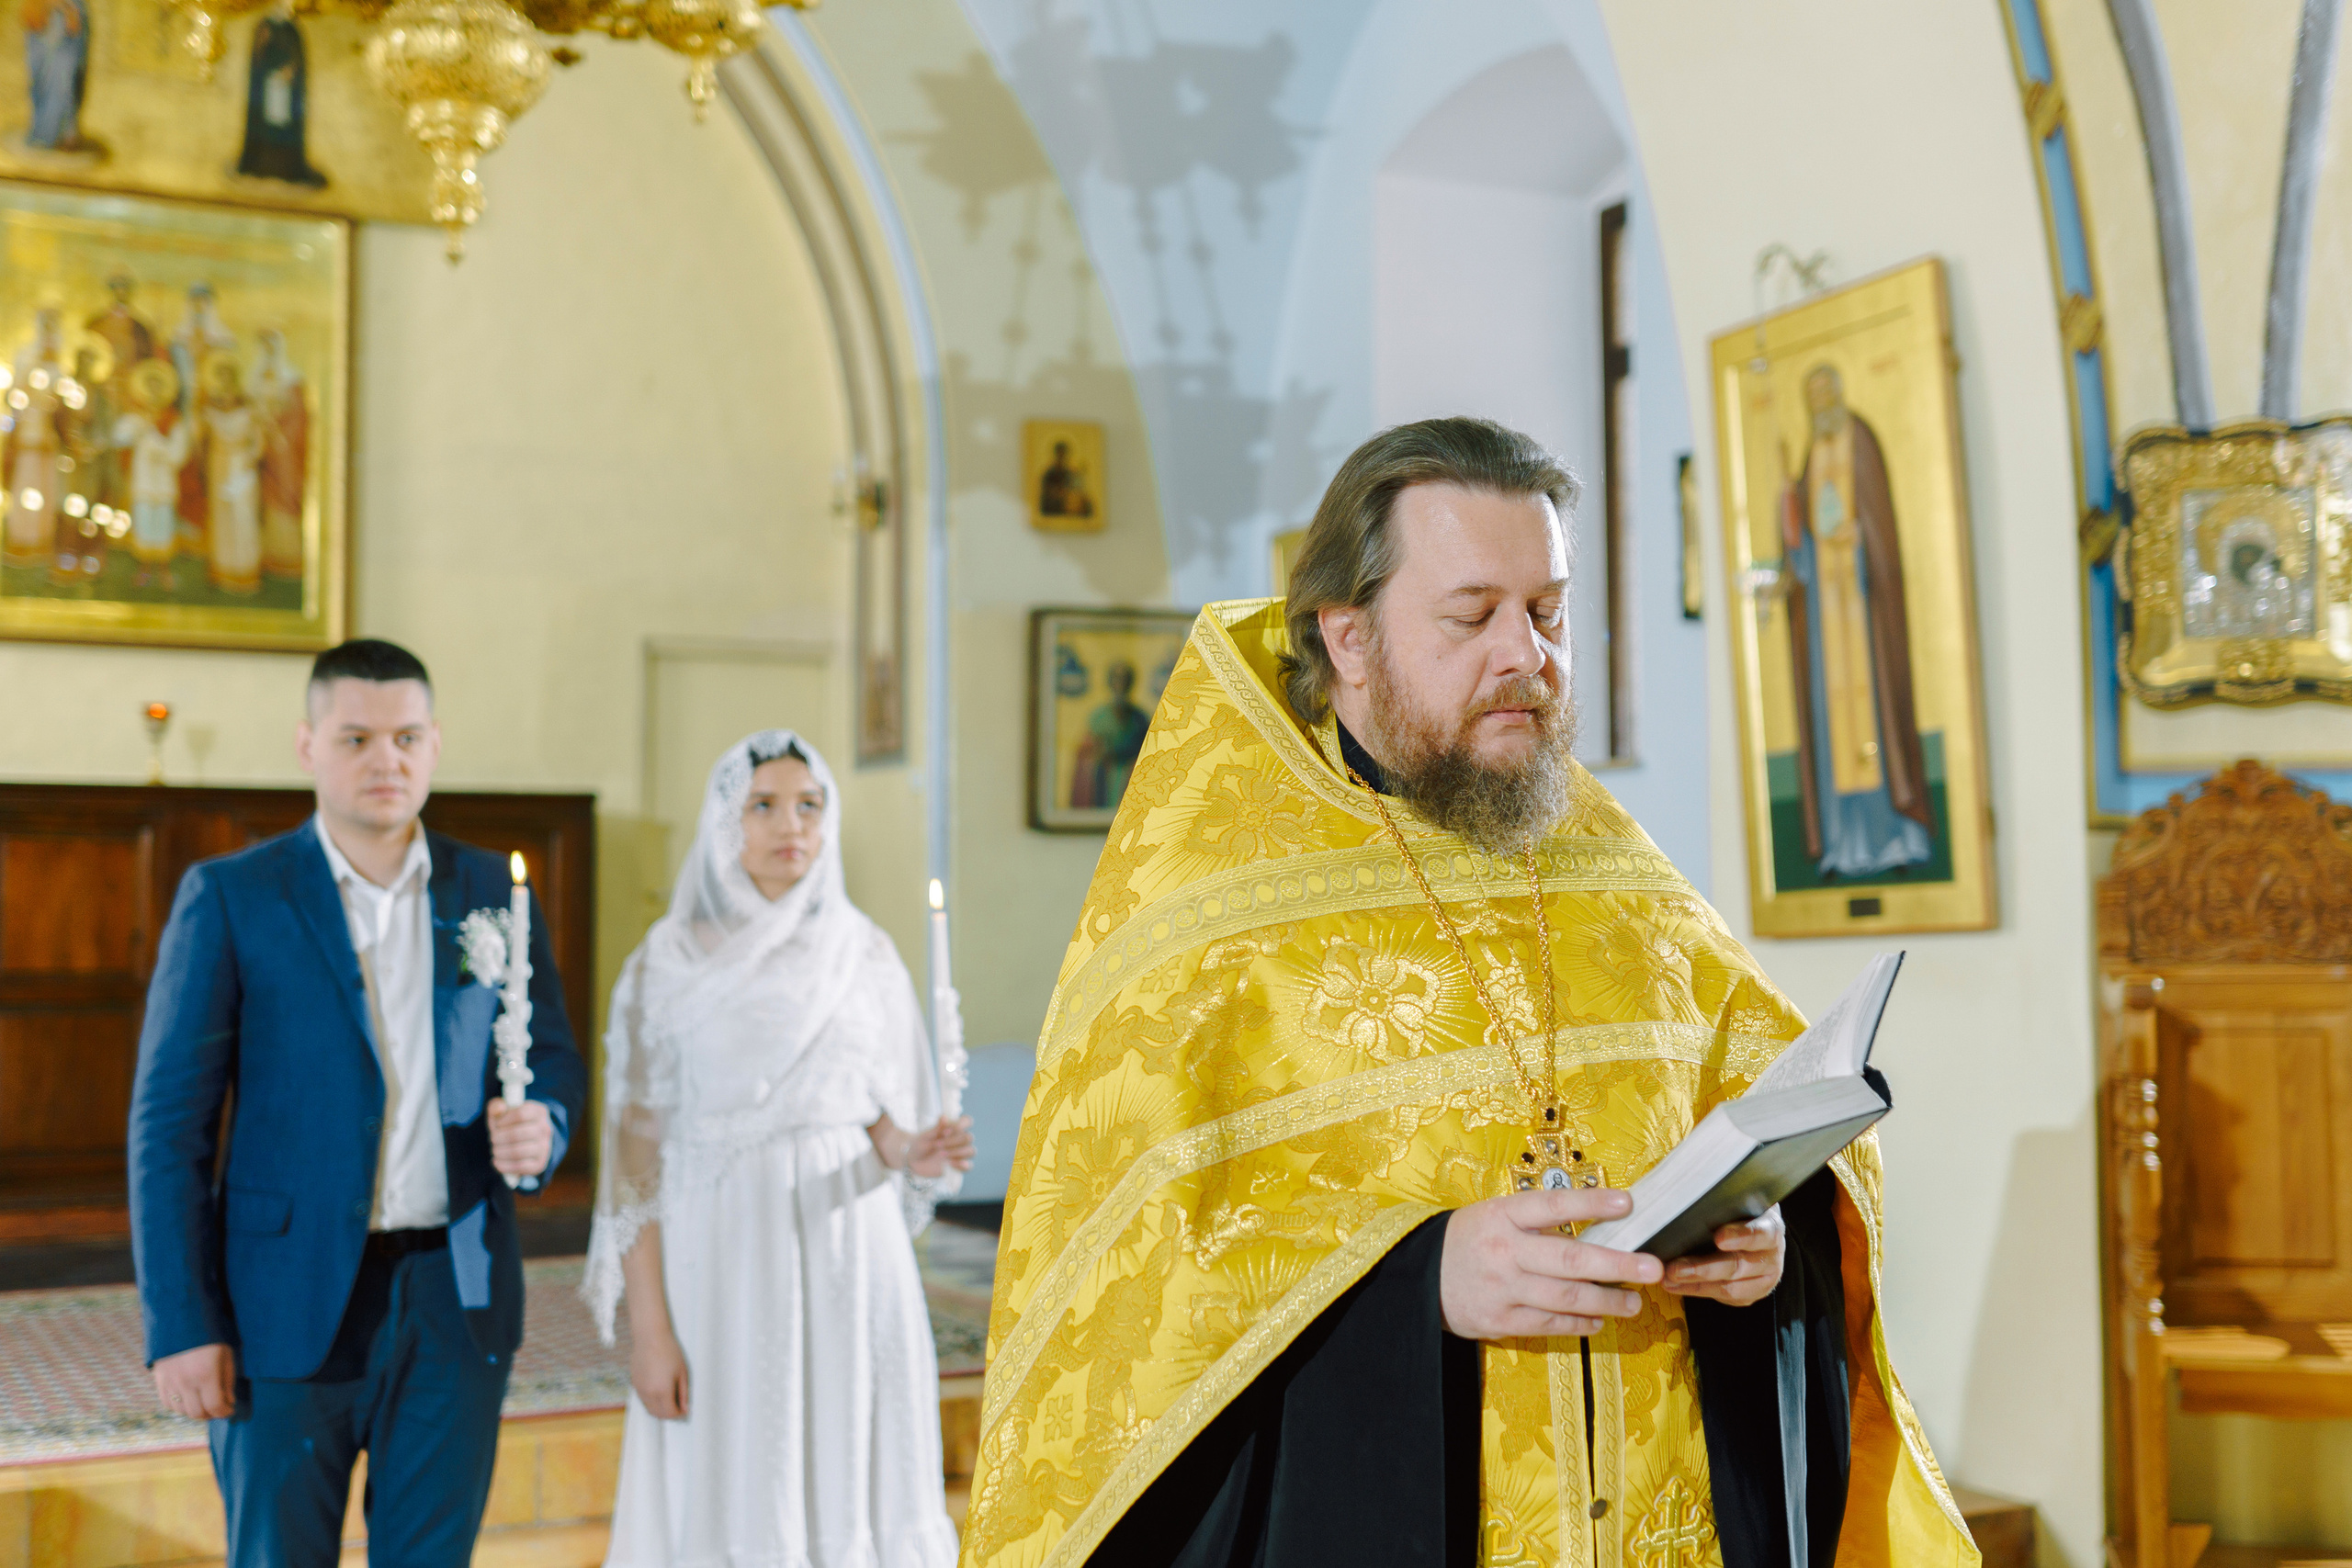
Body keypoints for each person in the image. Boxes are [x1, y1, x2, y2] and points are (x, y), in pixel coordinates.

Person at [961, 418, 1970, 1568]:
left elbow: (1770, 1120)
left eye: (1548, 612)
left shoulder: (1618, 873)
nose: (1525, 657)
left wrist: (1769, 1239)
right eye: (1471, 614)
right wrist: (1418, 1286)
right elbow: (1128, 1303)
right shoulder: (1209, 913)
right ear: (1346, 636)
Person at [129, 637, 587, 1568]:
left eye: (409, 737)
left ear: (436, 744)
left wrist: (545, 1124)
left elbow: (547, 1060)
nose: (388, 761)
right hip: (282, 1301)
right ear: (307, 746)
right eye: (358, 739)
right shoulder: (232, 898)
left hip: (451, 1296)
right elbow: (167, 1130)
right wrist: (183, 1323)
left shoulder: (492, 893)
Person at [589, 730, 974, 1568]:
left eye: (809, 804)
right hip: (721, 1255)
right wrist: (649, 1325)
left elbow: (881, 1122)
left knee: (851, 1455)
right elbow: (633, 1161)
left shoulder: (864, 950)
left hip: (848, 1247)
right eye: (762, 804)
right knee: (739, 1459)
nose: (788, 824)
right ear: (724, 820)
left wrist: (919, 1148)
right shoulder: (667, 959)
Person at [1780, 363, 1934, 881]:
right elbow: (1801, 541)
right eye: (1812, 395)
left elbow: (1881, 521)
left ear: (1840, 393)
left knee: (1876, 716)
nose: (1821, 401)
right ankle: (1845, 847)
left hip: (1863, 610)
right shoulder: (1812, 456)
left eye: (1827, 390)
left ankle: (1896, 837)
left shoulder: (1860, 441)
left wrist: (1860, 535)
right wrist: (1794, 540)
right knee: (1833, 722)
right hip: (1827, 620)